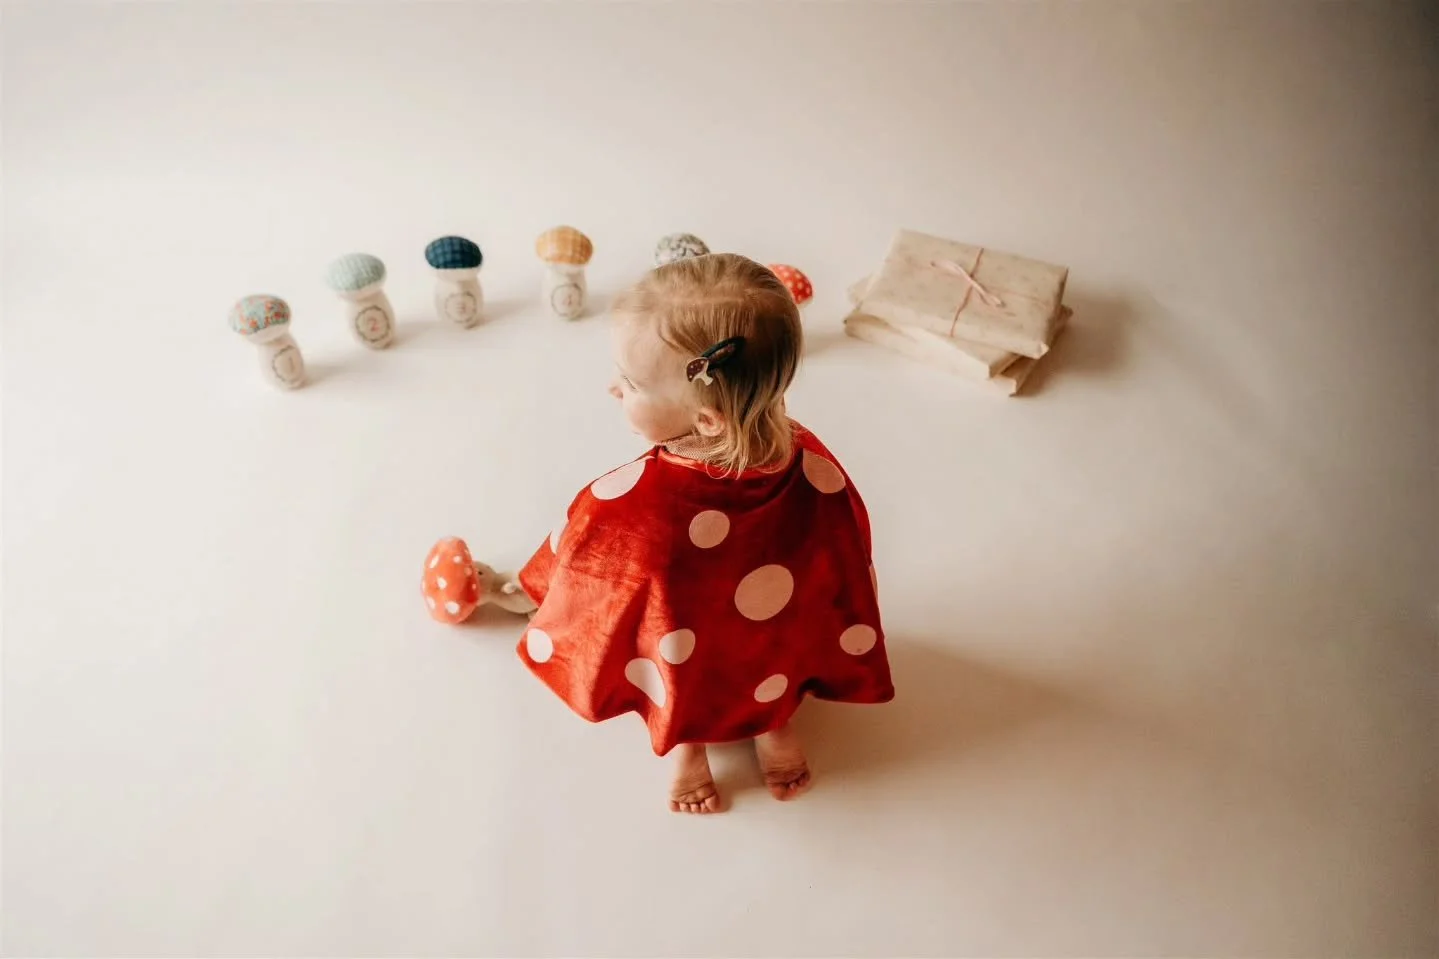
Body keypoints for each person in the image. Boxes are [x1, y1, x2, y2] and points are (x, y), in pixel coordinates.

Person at [508, 253, 893, 813]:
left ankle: (689, 747)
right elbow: (840, 562)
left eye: (630, 382)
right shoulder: (812, 462)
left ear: (708, 419)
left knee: (676, 659)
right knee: (777, 639)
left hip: (683, 636)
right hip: (770, 628)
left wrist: (533, 589)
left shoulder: (632, 502)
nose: (613, 390)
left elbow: (585, 570)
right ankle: (775, 726)